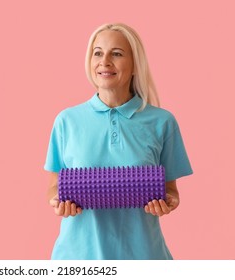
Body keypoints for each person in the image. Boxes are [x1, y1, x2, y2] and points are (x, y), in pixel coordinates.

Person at [44, 23, 193, 260]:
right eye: (98, 53)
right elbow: (54, 185)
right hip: (77, 259)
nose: (105, 61)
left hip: (143, 258)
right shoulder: (67, 121)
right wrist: (58, 201)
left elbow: (170, 189)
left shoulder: (162, 122)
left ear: (135, 65)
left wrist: (169, 201)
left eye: (117, 53)